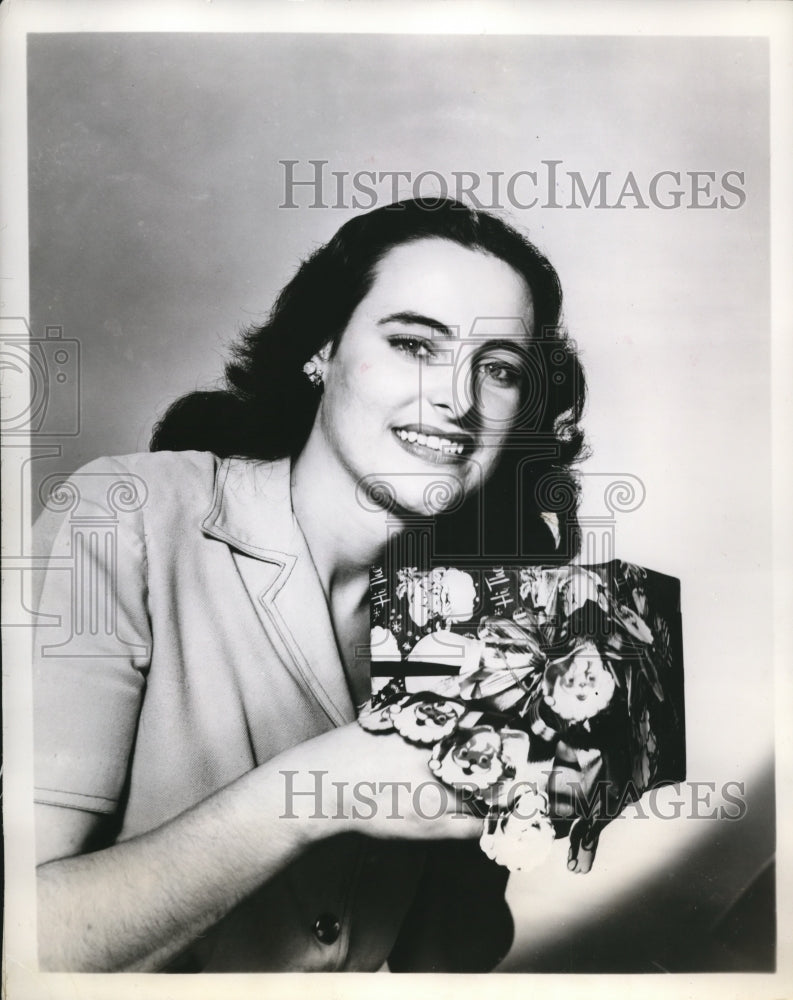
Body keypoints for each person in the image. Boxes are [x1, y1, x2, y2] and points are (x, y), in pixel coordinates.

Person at [32, 198, 587, 972]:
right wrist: (318, 789)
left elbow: (440, 960)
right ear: (321, 350)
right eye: (413, 344)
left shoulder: (473, 624)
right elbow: (19, 941)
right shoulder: (125, 516)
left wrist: (510, 823)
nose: (456, 401)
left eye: (496, 369)